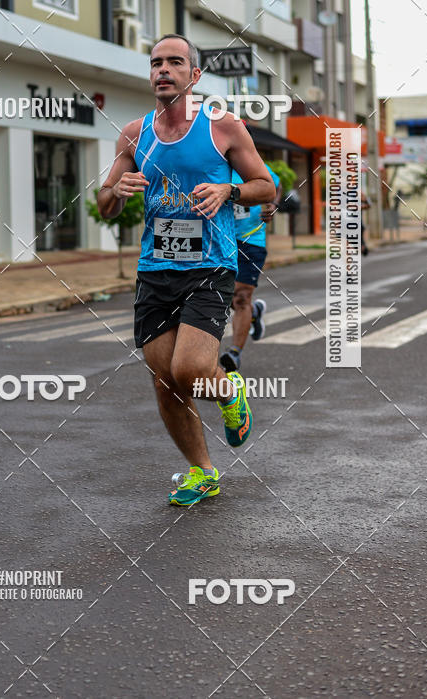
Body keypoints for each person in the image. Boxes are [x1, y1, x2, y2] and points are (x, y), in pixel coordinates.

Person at [97, 34, 275, 506]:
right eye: (156, 63)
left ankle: (227, 389)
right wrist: (118, 190)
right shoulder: (135, 134)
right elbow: (104, 204)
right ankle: (202, 471)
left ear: (194, 76)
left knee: (191, 368)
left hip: (210, 267)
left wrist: (228, 193)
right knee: (164, 379)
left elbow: (265, 188)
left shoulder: (223, 127)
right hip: (156, 270)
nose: (163, 70)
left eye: (175, 62)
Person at [220, 162, 282, 373]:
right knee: (224, 295)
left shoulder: (252, 165)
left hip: (251, 241)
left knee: (241, 297)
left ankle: (234, 353)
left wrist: (273, 205)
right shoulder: (211, 163)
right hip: (219, 241)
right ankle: (254, 312)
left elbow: (276, 185)